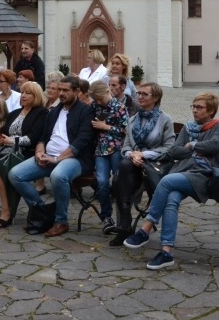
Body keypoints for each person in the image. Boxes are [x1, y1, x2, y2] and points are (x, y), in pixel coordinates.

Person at [122, 92, 219, 269]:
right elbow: (175, 151)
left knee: (167, 182)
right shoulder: (188, 127)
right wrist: (194, 150)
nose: (194, 110)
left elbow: (215, 145)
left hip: (205, 175)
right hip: (184, 172)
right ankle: (167, 252)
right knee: (171, 199)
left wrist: (193, 145)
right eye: (193, 107)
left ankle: (146, 228)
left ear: (210, 111)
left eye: (199, 107)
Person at [9, 75, 96, 237]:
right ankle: (42, 211)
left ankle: (61, 221)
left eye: (65, 90)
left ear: (77, 91)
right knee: (15, 174)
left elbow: (81, 142)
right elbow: (43, 137)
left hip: (75, 159)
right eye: (60, 90)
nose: (61, 93)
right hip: (48, 156)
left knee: (58, 175)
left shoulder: (85, 111)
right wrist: (39, 152)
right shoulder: (54, 111)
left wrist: (56, 159)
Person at [109, 82, 176, 246]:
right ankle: (125, 223)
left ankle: (124, 225)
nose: (139, 96)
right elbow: (125, 146)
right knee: (122, 172)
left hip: (154, 166)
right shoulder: (133, 120)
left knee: (118, 180)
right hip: (132, 166)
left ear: (156, 98)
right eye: (138, 93)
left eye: (144, 94)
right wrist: (132, 154)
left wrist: (143, 154)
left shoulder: (164, 120)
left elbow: (169, 148)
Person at [0, 83, 47, 227]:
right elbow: (4, 131)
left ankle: (6, 212)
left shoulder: (41, 113)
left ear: (36, 96)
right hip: (6, 151)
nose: (23, 96)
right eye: (22, 92)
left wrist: (12, 140)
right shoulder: (15, 113)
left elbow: (33, 138)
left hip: (25, 153)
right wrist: (1, 139)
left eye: (28, 93)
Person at [88, 81, 129, 235]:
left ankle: (122, 218)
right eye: (95, 99)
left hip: (117, 148)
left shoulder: (120, 107)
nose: (98, 102)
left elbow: (126, 130)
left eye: (100, 98)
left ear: (107, 91)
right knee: (102, 182)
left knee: (118, 182)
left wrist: (107, 127)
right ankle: (106, 217)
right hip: (100, 150)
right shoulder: (94, 106)